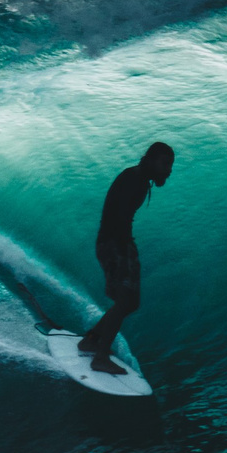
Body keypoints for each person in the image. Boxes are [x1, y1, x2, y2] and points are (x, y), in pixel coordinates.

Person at [77, 141, 174, 375]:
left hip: (119, 244)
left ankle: (91, 340)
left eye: (170, 165)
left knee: (130, 302)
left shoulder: (139, 179)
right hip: (114, 245)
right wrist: (122, 253)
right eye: (164, 164)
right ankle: (100, 357)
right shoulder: (134, 179)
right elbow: (118, 217)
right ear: (151, 160)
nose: (168, 170)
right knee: (125, 301)